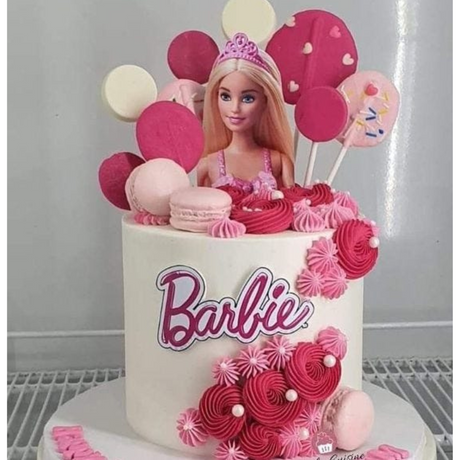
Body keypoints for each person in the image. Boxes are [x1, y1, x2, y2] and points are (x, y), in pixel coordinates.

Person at [197, 33, 295, 192]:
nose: (235, 108)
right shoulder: (207, 166)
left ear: (265, 101)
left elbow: (293, 202)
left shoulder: (279, 161)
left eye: (248, 98)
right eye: (225, 96)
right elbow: (198, 205)